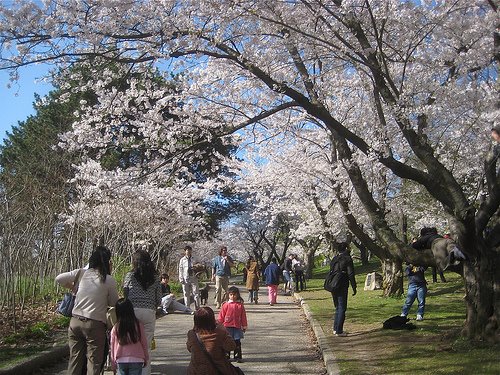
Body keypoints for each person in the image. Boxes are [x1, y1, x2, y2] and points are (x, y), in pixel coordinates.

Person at [55, 246, 119, 375]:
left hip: (75, 322)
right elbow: (114, 304)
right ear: (107, 262)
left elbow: (59, 278)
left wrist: (73, 287)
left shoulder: (81, 273)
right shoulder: (108, 280)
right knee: (94, 362)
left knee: (74, 360)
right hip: (94, 325)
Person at [123, 249, 162, 375]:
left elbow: (125, 294)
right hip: (149, 312)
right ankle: (145, 371)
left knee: (131, 342)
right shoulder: (155, 278)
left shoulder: (130, 276)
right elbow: (159, 299)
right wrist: (152, 305)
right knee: (146, 345)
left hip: (132, 311)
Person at [186, 306, 240, 375]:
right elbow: (231, 346)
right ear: (212, 319)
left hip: (195, 370)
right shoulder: (220, 333)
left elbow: (189, 349)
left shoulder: (192, 334)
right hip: (216, 370)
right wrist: (223, 329)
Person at [110, 298, 149, 375]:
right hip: (137, 358)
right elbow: (144, 342)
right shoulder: (138, 325)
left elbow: (112, 345)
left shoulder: (116, 327)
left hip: (121, 359)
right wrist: (146, 357)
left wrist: (113, 363)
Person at [329, 242, 357, 337]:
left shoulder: (334, 259)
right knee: (342, 307)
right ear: (345, 248)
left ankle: (335, 328)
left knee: (337, 307)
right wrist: (354, 286)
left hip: (333, 284)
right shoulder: (347, 259)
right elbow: (351, 274)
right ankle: (339, 331)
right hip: (342, 285)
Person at [218, 286, 248, 362]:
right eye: (231, 294)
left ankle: (237, 356)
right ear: (228, 295)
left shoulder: (240, 305)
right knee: (227, 342)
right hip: (227, 326)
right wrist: (219, 324)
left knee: (237, 342)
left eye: (234, 295)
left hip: (237, 327)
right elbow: (221, 315)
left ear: (238, 295)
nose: (233, 296)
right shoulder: (225, 305)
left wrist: (244, 326)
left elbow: (243, 316)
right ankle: (226, 355)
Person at [179, 245, 201, 310]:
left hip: (194, 278)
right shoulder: (182, 260)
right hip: (185, 278)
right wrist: (181, 278)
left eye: (189, 250)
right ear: (185, 251)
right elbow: (180, 269)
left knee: (196, 293)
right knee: (186, 293)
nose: (188, 251)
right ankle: (187, 308)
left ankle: (197, 307)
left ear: (191, 251)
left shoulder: (195, 258)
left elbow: (199, 267)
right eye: (187, 250)